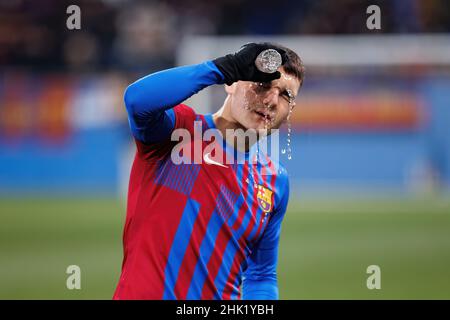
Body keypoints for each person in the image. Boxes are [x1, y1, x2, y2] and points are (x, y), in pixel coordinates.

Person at [113, 42, 305, 300]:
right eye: (262, 85)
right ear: (231, 83)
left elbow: (261, 275)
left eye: (285, 95)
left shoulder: (275, 181)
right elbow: (136, 100)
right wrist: (218, 68)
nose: (271, 100)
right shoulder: (180, 134)